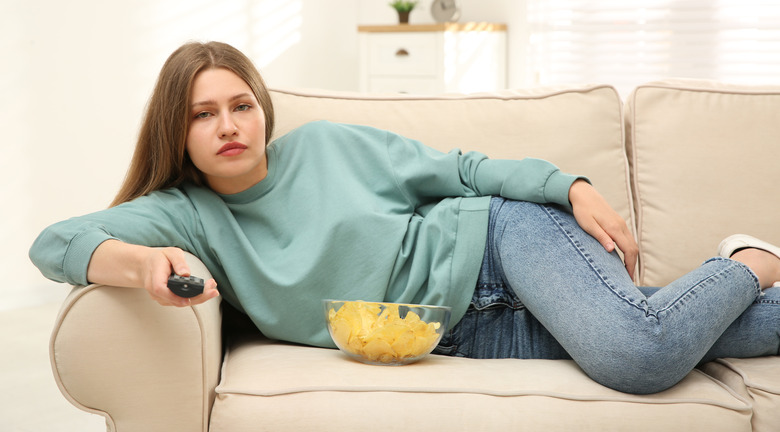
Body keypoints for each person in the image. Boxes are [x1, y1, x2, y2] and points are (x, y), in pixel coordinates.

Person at [29, 41, 780, 395]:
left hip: (500, 246)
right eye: (203, 114)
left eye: (241, 104)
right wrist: (146, 265)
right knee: (680, 325)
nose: (229, 125)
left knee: (638, 357)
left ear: (261, 110)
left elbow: (459, 170)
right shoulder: (184, 218)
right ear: (177, 130)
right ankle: (751, 281)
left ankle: (748, 261)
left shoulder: (326, 147)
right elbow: (55, 241)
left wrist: (568, 185)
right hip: (465, 335)